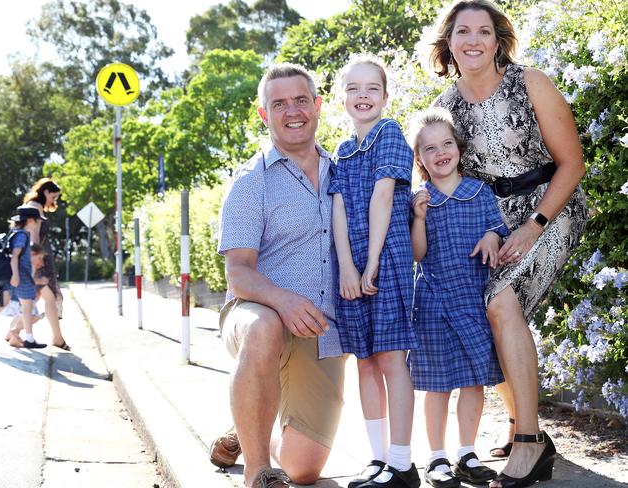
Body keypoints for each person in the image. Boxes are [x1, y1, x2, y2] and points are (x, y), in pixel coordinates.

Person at [429, 1, 588, 486]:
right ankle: (528, 424)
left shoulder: (530, 83)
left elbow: (572, 163)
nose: (473, 40)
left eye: (483, 31)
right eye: (462, 32)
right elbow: (453, 179)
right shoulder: (446, 109)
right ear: (449, 43)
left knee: (499, 302)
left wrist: (534, 224)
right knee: (479, 307)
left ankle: (528, 443)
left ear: (498, 39)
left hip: (551, 207)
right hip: (495, 221)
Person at [211, 63, 346, 488]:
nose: (292, 111)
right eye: (279, 103)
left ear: (318, 106)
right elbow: (238, 273)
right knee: (265, 325)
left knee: (303, 470)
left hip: (321, 330)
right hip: (256, 314)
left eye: (301, 100)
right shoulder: (251, 183)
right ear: (263, 114)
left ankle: (247, 424)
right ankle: (256, 471)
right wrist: (283, 301)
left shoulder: (345, 172)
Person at [329, 55, 419, 488]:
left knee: (390, 359)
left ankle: (402, 463)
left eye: (371, 89)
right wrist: (347, 267)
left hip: (387, 263)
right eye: (353, 88)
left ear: (385, 96)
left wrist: (372, 262)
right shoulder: (342, 152)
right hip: (355, 268)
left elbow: (383, 197)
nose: (362, 96)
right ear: (341, 96)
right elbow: (339, 211)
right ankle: (379, 460)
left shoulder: (391, 134)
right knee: (364, 362)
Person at [408, 108, 507, 488]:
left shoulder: (479, 192)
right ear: (420, 159)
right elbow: (418, 254)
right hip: (432, 301)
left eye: (447, 144)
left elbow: (496, 228)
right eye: (430, 148)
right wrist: (418, 218)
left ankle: (467, 453)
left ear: (459, 148)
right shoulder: (422, 198)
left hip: (472, 300)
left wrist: (492, 237)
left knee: (473, 382)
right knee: (437, 385)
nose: (440, 152)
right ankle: (437, 458)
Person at [23, 177, 70, 350]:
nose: (54, 200)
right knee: (50, 297)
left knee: (36, 298)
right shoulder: (34, 207)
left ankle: (13, 331)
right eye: (54, 196)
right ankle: (57, 338)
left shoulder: (37, 207)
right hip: (40, 260)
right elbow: (33, 235)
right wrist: (37, 261)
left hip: (42, 259)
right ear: (45, 192)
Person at [8, 205, 48, 349]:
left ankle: (21, 336)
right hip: (22, 276)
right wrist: (16, 275)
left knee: (26, 309)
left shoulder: (19, 232)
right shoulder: (22, 235)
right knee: (27, 309)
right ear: (30, 220)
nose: (38, 222)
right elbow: (15, 255)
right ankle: (27, 338)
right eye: (37, 220)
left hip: (22, 275)